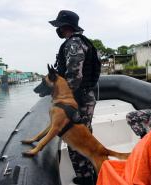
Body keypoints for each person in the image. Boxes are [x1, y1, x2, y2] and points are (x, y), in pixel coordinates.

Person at [49, 10, 101, 185]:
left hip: (78, 100)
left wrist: (64, 99)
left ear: (65, 27)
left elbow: (74, 77)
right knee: (85, 138)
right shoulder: (85, 42)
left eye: (60, 26)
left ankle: (86, 179)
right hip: (85, 97)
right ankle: (93, 175)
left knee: (76, 141)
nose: (59, 30)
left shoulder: (74, 43)